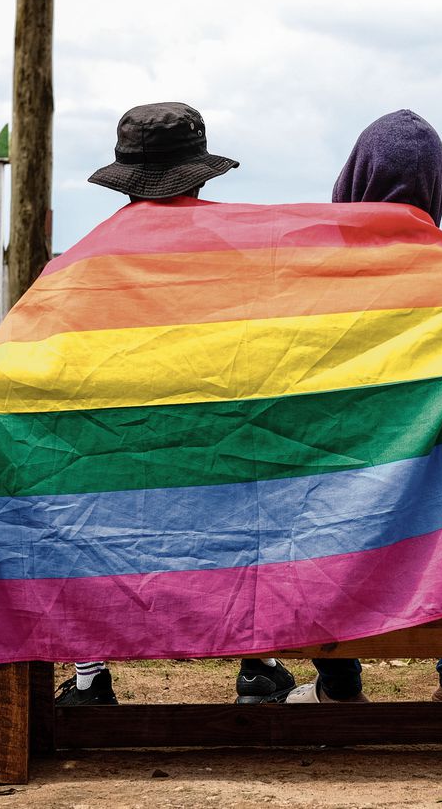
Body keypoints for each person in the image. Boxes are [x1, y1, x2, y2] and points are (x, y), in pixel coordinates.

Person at [54, 101, 297, 706]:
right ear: (202, 174)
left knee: (76, 511)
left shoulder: (84, 263)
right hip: (223, 451)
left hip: (117, 460)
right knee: (254, 500)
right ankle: (257, 665)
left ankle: (89, 678)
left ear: (124, 178)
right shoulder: (239, 257)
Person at [284, 110, 442, 704]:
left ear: (354, 181)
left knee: (305, 492)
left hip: (336, 507)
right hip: (441, 514)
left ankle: (337, 685)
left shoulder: (313, 289)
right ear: (436, 191)